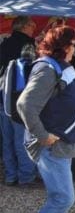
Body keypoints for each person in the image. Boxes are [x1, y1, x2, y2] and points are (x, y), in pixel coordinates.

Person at [17, 25, 75, 213]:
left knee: (58, 199)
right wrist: (43, 135)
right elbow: (25, 105)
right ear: (62, 46)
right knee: (64, 199)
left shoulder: (59, 65)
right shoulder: (47, 69)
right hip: (52, 144)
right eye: (72, 44)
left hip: (62, 142)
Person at [0, 15, 38, 187]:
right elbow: (32, 73)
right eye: (31, 26)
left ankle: (10, 176)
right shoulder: (28, 46)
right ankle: (26, 177)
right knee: (22, 139)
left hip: (2, 98)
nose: (33, 29)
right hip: (19, 100)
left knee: (7, 139)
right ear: (23, 27)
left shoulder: (5, 43)